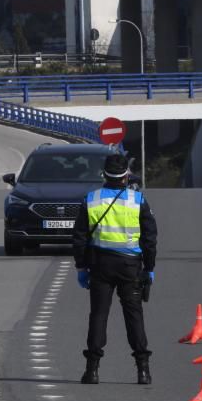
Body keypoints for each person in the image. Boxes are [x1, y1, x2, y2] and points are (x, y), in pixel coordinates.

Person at [72, 153, 158, 385]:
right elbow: (150, 239)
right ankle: (143, 371)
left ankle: (92, 371)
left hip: (100, 265)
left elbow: (79, 237)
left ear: (104, 174)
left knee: (99, 316)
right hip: (130, 267)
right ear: (126, 175)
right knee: (134, 316)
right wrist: (149, 268)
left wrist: (81, 267)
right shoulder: (138, 200)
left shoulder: (91, 199)